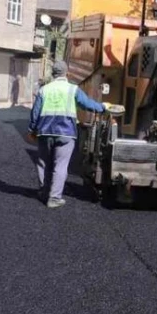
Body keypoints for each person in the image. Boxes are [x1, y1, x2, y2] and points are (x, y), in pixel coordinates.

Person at [28, 61, 106, 209]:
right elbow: (87, 104)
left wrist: (32, 130)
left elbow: (35, 113)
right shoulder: (73, 89)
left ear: (53, 74)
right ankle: (54, 198)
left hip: (45, 132)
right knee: (61, 165)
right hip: (66, 133)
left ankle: (44, 193)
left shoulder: (44, 90)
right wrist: (102, 108)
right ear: (66, 73)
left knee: (44, 163)